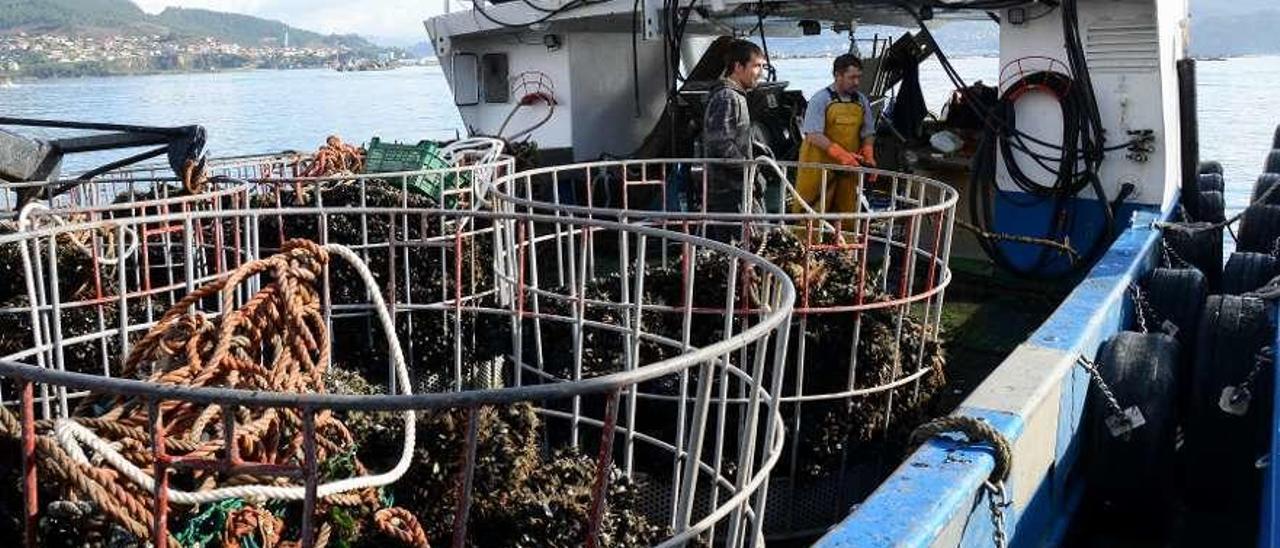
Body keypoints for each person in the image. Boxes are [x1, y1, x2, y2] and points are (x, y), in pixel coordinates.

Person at [793, 54, 877, 213]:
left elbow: (868, 132)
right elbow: (813, 134)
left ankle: (843, 238)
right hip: (817, 169)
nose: (856, 82)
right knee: (810, 212)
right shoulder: (820, 99)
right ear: (837, 75)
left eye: (859, 77)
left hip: (849, 170)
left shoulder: (861, 101)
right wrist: (842, 155)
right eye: (851, 77)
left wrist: (868, 154)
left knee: (846, 213)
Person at [701, 39, 767, 224]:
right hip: (731, 192)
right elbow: (720, 144)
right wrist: (750, 169)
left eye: (762, 66)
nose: (761, 73)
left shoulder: (733, 96)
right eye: (756, 66)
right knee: (746, 246)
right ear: (738, 66)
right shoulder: (727, 97)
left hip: (736, 189)